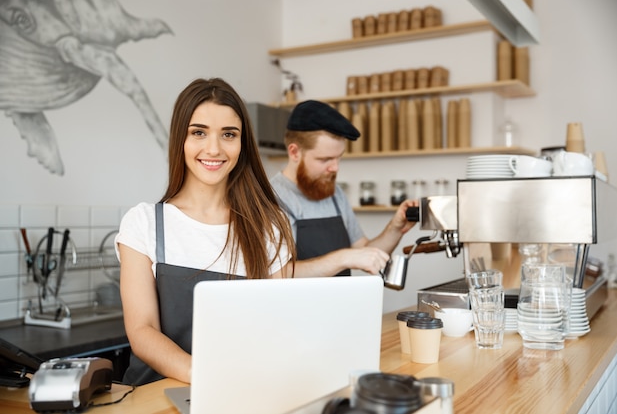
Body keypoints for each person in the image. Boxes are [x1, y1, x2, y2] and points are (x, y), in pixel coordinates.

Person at [115, 78, 296, 385]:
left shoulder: (268, 225)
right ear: (179, 140)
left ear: (242, 144)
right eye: (198, 132)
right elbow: (142, 331)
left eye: (229, 134)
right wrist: (208, 377)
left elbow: (277, 324)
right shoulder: (143, 223)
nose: (214, 149)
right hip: (155, 399)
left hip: (239, 392)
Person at [271, 100, 419, 277]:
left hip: (341, 304)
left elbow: (364, 250)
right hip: (298, 305)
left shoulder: (334, 194)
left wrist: (395, 228)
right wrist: (343, 258)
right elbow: (280, 273)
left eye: (338, 157)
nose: (335, 168)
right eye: (325, 159)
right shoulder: (270, 197)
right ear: (294, 152)